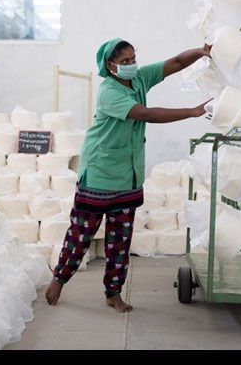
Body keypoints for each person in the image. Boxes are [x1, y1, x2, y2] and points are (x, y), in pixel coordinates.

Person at [45, 38, 212, 312]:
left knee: (120, 241)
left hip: (127, 174)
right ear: (110, 66)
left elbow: (176, 63)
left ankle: (113, 293)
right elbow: (144, 114)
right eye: (125, 62)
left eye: (133, 59)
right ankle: (59, 278)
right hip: (100, 172)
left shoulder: (140, 79)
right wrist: (193, 111)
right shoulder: (108, 92)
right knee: (81, 234)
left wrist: (201, 52)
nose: (132, 65)